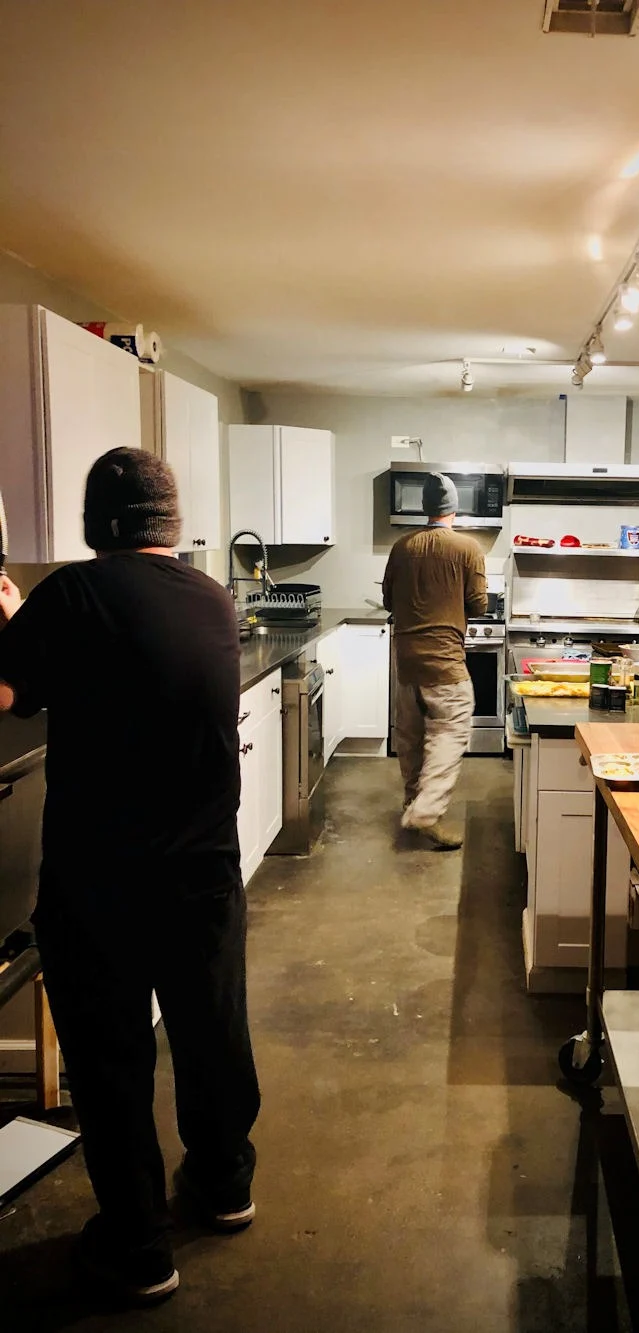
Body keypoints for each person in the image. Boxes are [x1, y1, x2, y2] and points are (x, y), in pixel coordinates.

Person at [0, 448, 259, 1305]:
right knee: (210, 1030)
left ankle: (140, 1247)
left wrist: (10, 621)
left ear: (95, 522)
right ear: (170, 523)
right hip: (205, 870)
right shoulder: (212, 597)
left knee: (112, 1057)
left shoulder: (72, 596)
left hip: (102, 878)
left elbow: (8, 691)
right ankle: (224, 1187)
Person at [382, 473, 487, 850]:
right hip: (444, 660)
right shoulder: (467, 547)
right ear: (454, 508)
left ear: (424, 507)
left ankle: (412, 804)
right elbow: (479, 604)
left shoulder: (401, 547)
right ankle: (426, 812)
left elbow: (388, 601)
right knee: (450, 731)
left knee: (410, 737)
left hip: (406, 660)